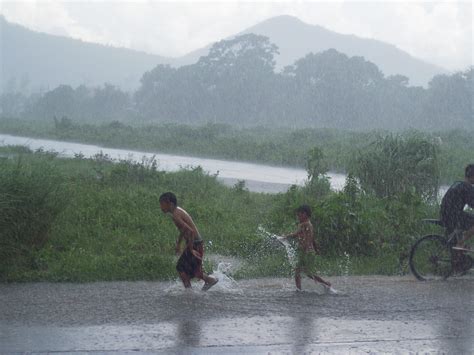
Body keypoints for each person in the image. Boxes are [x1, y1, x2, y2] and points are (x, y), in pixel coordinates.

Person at [159, 192, 218, 290]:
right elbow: (183, 229)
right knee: (189, 269)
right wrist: (179, 243)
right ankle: (197, 286)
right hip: (195, 242)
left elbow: (190, 231)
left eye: (161, 204)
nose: (161, 207)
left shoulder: (175, 215)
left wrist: (190, 249)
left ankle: (195, 287)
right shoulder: (177, 211)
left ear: (169, 203)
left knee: (181, 267)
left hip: (195, 244)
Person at [282, 205, 335, 293]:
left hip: (306, 252)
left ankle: (325, 283)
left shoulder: (305, 224)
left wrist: (285, 236)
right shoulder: (309, 224)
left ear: (305, 214)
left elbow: (296, 234)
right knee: (299, 271)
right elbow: (312, 238)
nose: (298, 217)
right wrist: (315, 248)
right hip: (307, 251)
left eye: (299, 215)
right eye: (297, 215)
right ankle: (299, 289)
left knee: (307, 273)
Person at [440, 164, 474, 251]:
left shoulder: (457, 183)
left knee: (465, 218)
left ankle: (459, 250)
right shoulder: (467, 187)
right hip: (453, 216)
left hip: (445, 214)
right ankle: (461, 243)